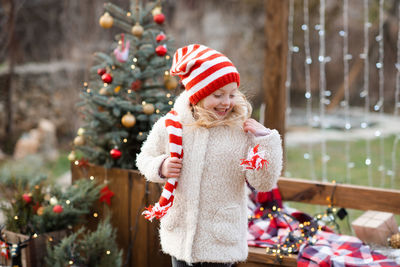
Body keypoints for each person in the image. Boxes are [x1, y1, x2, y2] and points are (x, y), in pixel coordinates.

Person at [136, 44, 283, 267]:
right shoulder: (172, 125)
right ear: (198, 94)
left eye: (233, 94)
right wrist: (161, 166)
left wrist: (266, 142)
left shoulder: (241, 131)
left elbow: (262, 182)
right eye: (218, 95)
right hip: (181, 234)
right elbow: (144, 157)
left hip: (219, 238)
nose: (227, 102)